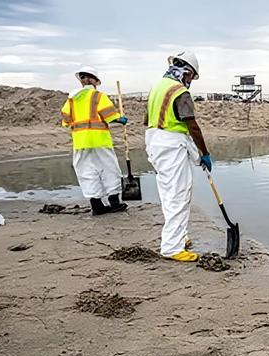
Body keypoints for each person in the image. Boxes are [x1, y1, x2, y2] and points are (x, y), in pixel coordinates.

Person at [143, 51, 211, 262]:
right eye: (191, 77)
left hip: (155, 142)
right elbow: (192, 125)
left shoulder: (157, 87)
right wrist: (205, 153)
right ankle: (172, 247)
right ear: (187, 71)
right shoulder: (179, 91)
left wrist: (194, 153)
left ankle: (179, 235)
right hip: (170, 145)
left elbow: (148, 119)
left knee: (168, 193)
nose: (190, 81)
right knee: (179, 195)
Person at [60, 66, 129, 216]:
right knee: (109, 170)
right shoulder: (98, 96)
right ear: (95, 81)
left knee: (87, 173)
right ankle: (114, 203)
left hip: (80, 143)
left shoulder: (71, 99)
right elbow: (110, 115)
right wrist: (120, 119)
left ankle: (97, 206)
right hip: (99, 141)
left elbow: (66, 120)